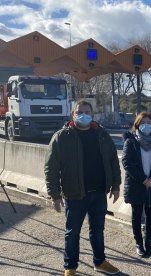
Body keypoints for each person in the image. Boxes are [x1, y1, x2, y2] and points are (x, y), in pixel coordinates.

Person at [44, 100, 121, 276]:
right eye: (79, 112)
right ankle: (70, 267)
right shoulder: (62, 137)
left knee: (98, 231)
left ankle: (100, 262)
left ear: (92, 114)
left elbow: (113, 161)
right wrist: (55, 195)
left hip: (99, 192)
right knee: (72, 233)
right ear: (73, 114)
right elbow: (51, 167)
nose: (83, 115)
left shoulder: (101, 134)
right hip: (74, 194)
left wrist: (115, 185)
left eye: (87, 112)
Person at [121, 112, 151, 257]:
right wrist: (143, 179)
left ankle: (148, 242)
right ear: (137, 125)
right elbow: (126, 162)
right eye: (142, 123)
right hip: (137, 184)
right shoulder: (131, 141)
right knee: (136, 215)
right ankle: (139, 243)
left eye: (148, 122)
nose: (146, 125)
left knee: (150, 215)